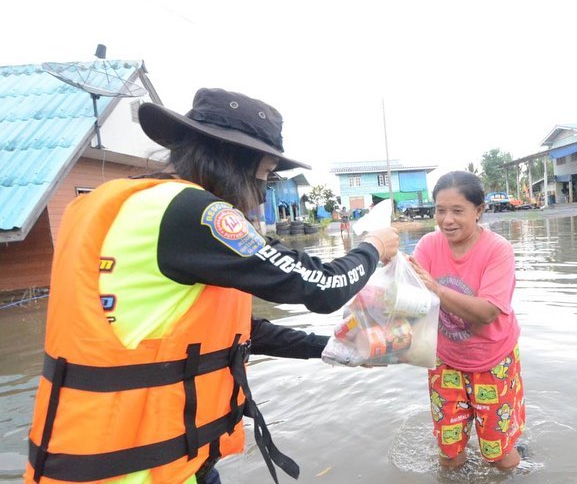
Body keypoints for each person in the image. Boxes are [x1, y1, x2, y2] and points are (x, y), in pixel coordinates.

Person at [24, 88, 399, 484]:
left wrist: (330, 347)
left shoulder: (131, 206)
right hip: (129, 470)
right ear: (235, 160)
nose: (262, 192)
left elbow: (235, 332)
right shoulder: (192, 211)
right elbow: (323, 287)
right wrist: (373, 247)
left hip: (133, 458)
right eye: (266, 175)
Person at [408, 171, 525, 470]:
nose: (447, 220)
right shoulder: (428, 246)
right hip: (446, 360)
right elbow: (408, 301)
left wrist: (435, 287)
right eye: (440, 210)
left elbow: (487, 313)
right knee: (449, 454)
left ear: (479, 210)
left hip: (492, 360)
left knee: (498, 455)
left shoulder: (498, 250)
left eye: (457, 211)